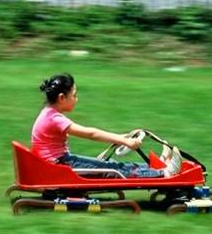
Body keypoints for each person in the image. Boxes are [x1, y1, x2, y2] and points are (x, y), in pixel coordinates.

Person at [31, 73, 182, 178]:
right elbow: (91, 134)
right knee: (111, 169)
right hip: (61, 166)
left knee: (111, 165)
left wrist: (122, 137)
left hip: (60, 163)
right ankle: (164, 174)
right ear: (62, 98)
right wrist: (125, 141)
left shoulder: (48, 114)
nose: (77, 99)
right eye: (74, 95)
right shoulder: (54, 119)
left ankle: (159, 167)